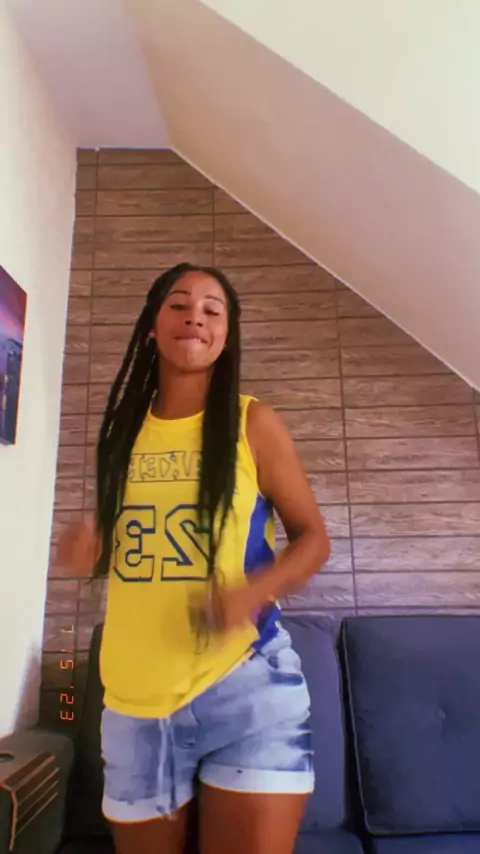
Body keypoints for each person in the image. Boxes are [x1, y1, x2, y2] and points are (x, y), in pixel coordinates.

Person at [59, 263, 330, 854]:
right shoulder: (122, 432)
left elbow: (313, 538)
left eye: (212, 310)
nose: (195, 318)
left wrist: (252, 592)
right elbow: (125, 540)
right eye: (179, 305)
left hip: (248, 687)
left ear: (226, 335)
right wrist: (90, 547)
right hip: (135, 702)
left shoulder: (253, 424)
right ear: (152, 326)